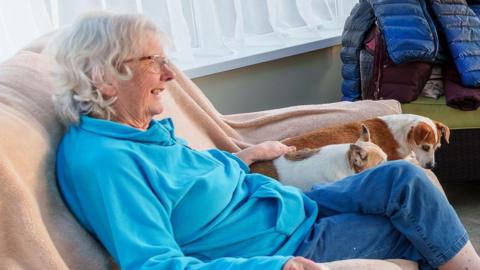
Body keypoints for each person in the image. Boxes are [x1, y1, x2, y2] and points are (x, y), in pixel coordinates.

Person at [49, 12, 480, 270]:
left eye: (166, 60)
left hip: (292, 205)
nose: (170, 74)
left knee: (404, 177)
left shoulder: (139, 131)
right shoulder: (105, 162)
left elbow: (191, 184)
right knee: (417, 231)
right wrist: (272, 265)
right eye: (153, 61)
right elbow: (154, 263)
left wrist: (244, 156)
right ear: (103, 79)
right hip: (282, 243)